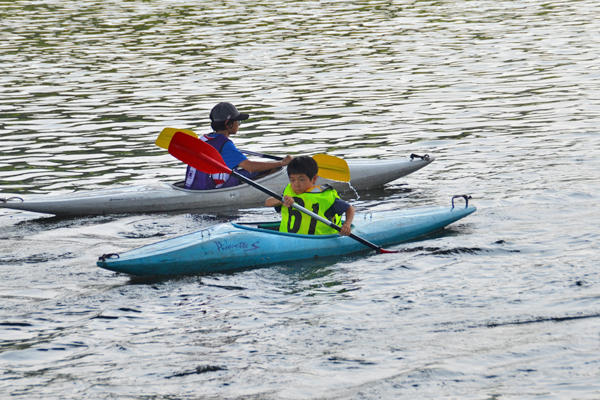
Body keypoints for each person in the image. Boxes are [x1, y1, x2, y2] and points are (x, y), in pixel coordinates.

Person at [184, 102, 293, 190]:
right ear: (228, 124)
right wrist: (281, 163)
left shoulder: (204, 139)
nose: (239, 124)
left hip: (193, 186)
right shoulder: (225, 145)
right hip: (212, 189)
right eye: (238, 121)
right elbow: (250, 167)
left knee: (247, 171)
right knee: (272, 168)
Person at [265, 156, 355, 236]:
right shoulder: (289, 193)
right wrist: (281, 200)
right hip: (287, 238)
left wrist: (346, 225)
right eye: (292, 180)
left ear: (314, 178)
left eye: (302, 180)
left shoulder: (324, 196)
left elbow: (350, 208)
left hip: (319, 239)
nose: (296, 184)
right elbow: (268, 202)